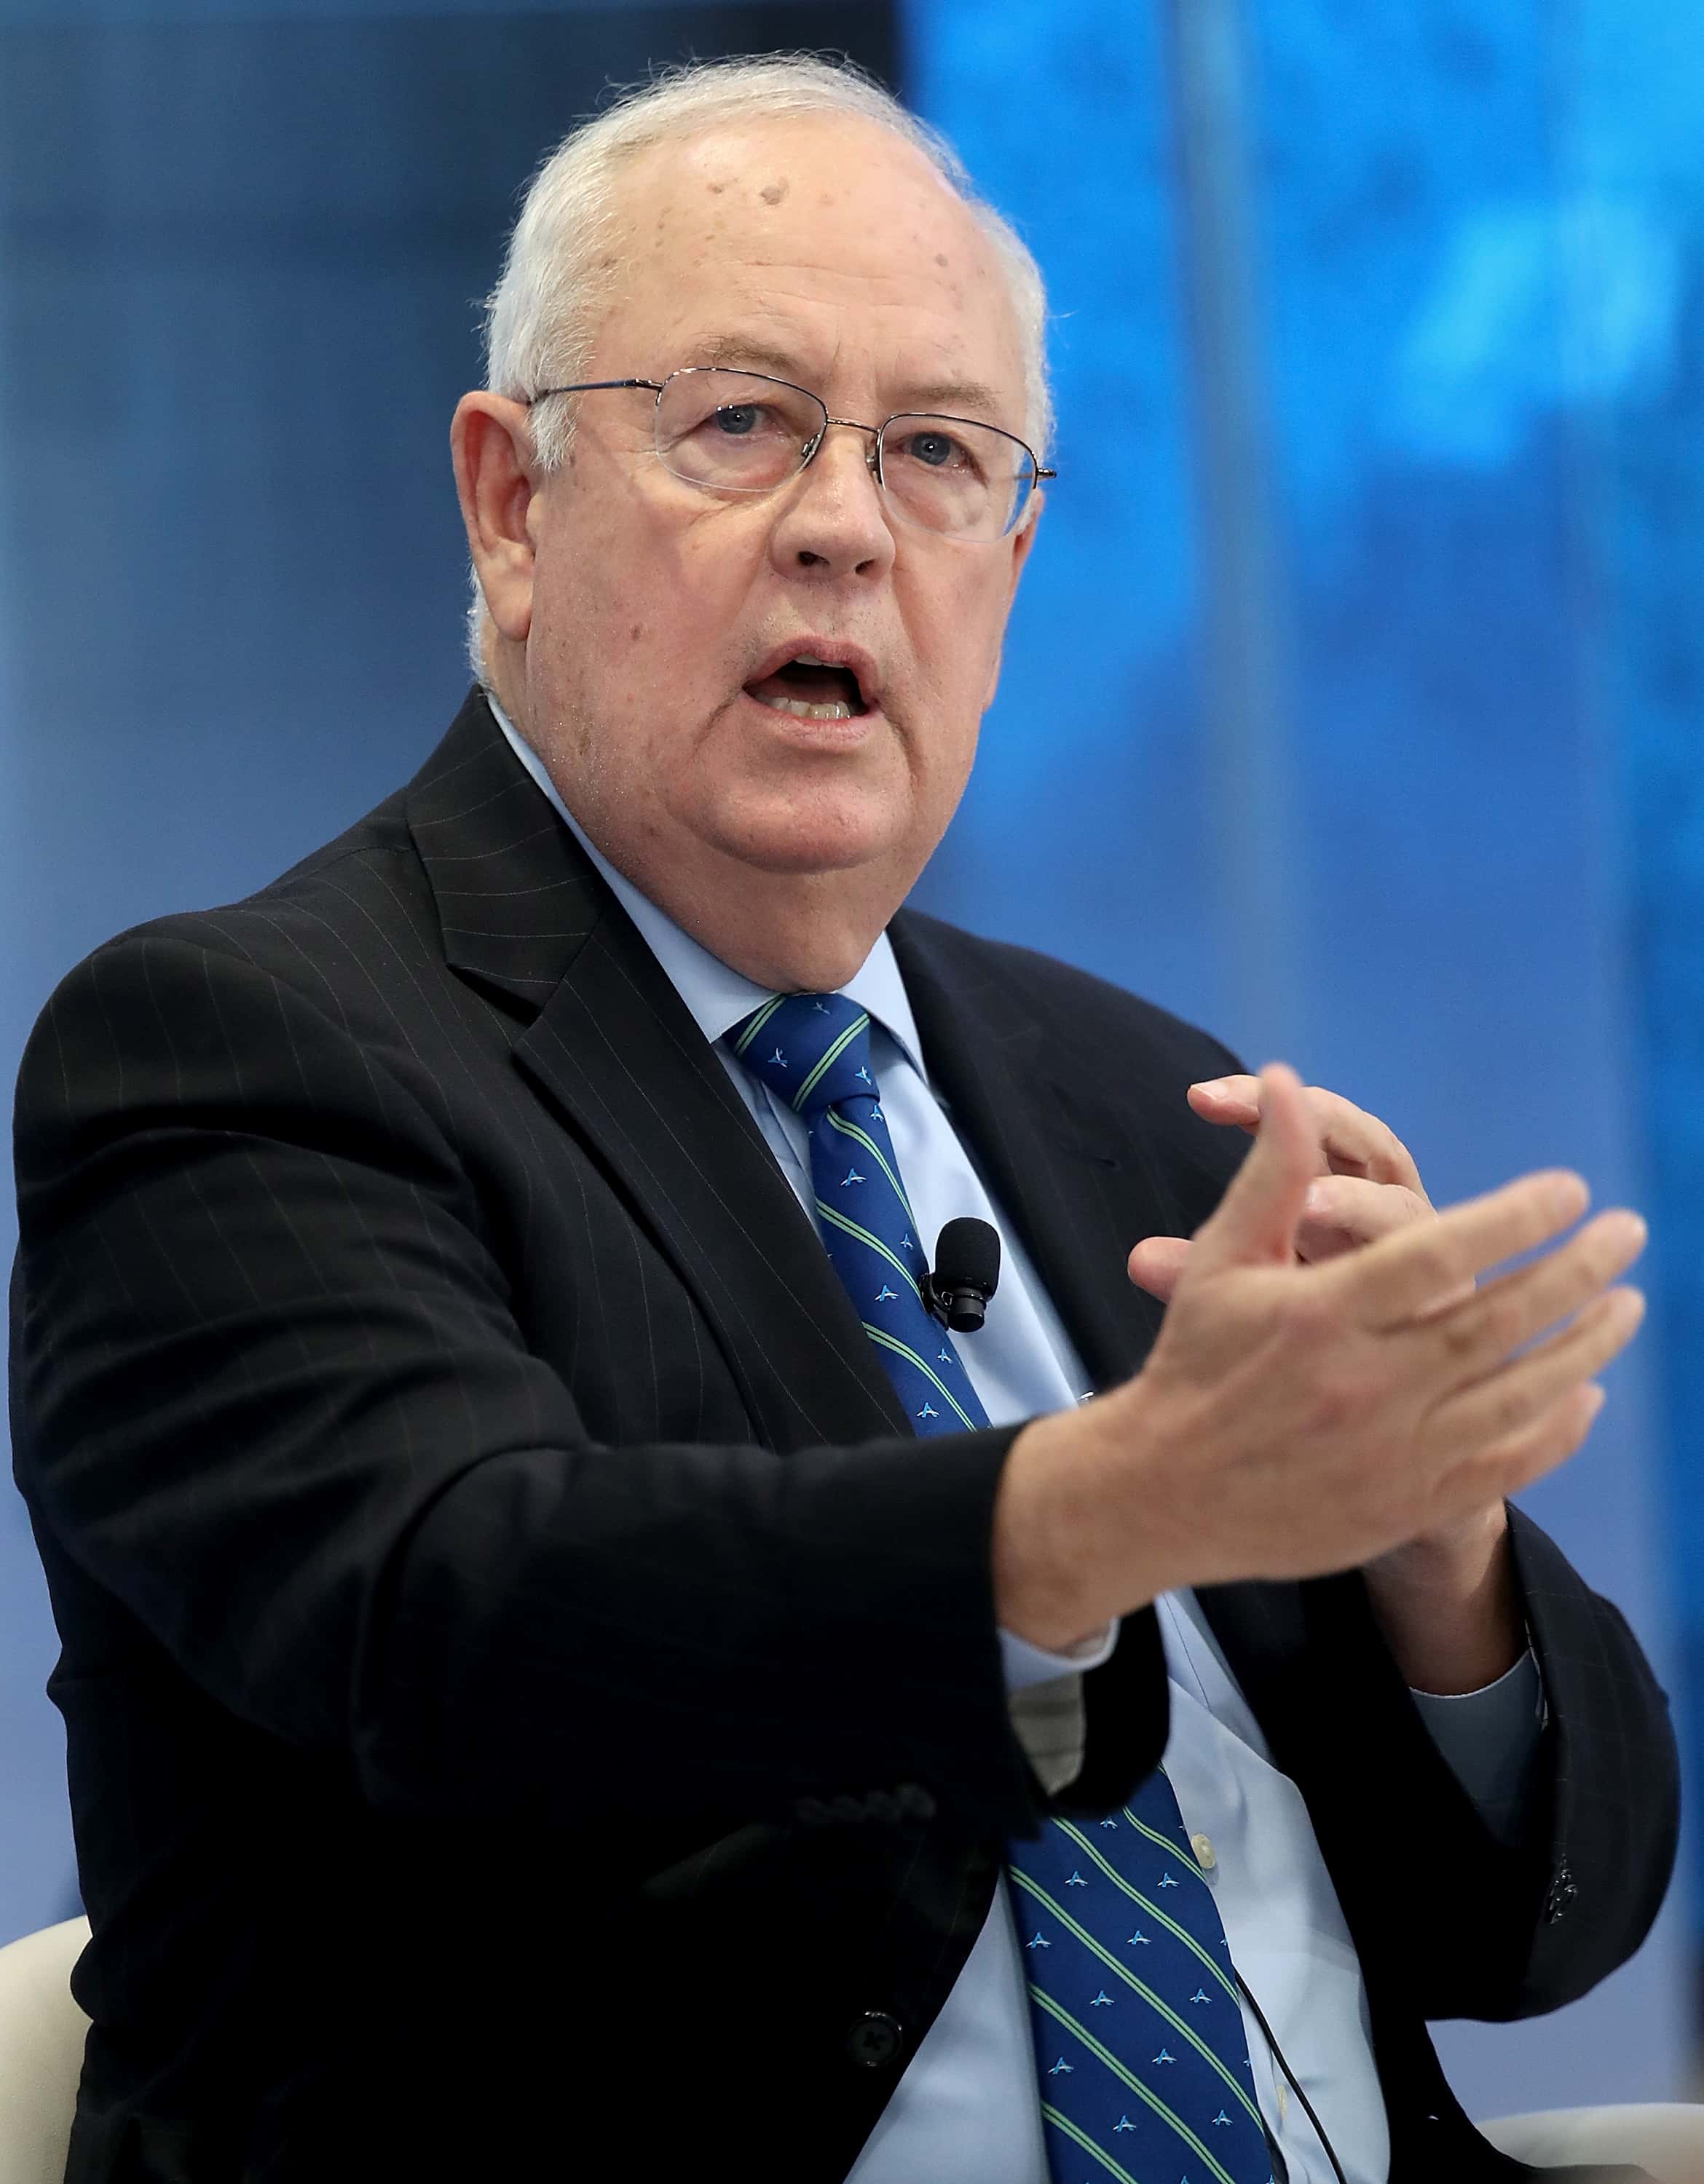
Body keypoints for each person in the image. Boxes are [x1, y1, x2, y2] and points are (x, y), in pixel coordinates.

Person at [9, 54, 1676, 2184]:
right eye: (740, 423)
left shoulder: (1140, 1102)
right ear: (512, 506)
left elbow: (1534, 1934)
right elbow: (459, 1629)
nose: (843, 525)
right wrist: (1090, 1515)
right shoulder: (238, 1054)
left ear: (1013, 556)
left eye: (939, 455)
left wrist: (1429, 1549)